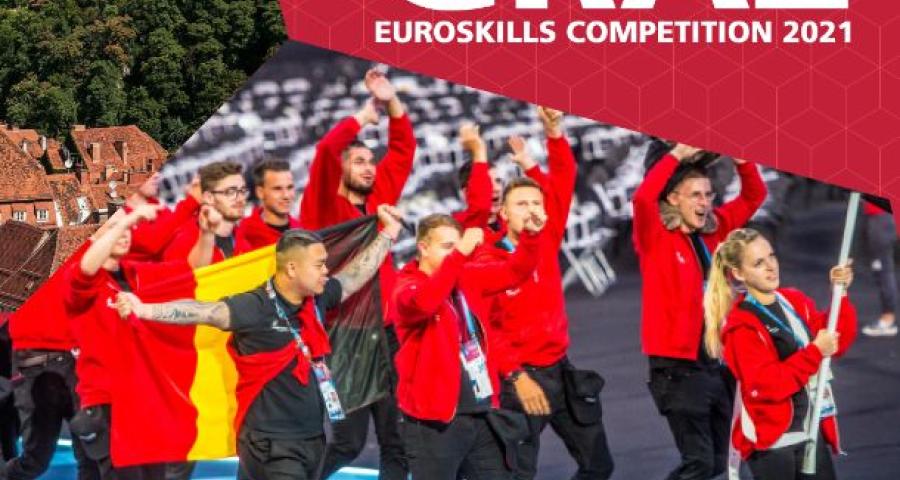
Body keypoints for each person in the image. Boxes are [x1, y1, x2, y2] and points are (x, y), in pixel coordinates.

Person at [113, 205, 404, 480]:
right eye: (319, 265)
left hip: (311, 440)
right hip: (272, 447)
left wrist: (388, 234)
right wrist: (145, 310)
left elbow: (354, 277)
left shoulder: (316, 299)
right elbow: (205, 311)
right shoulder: (256, 305)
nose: (326, 271)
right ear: (292, 268)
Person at [476, 106, 614, 480]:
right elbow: (486, 329)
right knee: (517, 476)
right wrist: (516, 377)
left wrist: (554, 133)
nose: (532, 210)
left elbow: (564, 178)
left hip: (561, 370)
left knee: (599, 466)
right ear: (503, 213)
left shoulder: (547, 239)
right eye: (522, 204)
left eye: (537, 203)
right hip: (518, 380)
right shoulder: (487, 259)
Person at [299, 69, 415, 479]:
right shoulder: (323, 207)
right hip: (345, 340)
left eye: (371, 162)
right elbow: (326, 151)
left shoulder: (379, 198)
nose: (369, 168)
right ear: (342, 169)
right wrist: (364, 117)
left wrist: (392, 100)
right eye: (359, 162)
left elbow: (402, 149)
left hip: (389, 335)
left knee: (397, 440)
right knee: (348, 442)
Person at [633, 143, 766, 480]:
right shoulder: (656, 237)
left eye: (708, 194)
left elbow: (755, 196)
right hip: (678, 368)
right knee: (700, 462)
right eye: (695, 195)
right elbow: (643, 199)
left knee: (721, 459)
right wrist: (677, 155)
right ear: (673, 198)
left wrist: (742, 159)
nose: (704, 202)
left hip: (715, 362)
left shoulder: (715, 229)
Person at [61, 201, 219, 480]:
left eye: (128, 228)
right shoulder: (81, 279)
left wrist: (206, 234)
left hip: (145, 404)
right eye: (112, 227)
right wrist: (124, 220)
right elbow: (86, 268)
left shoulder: (139, 274)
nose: (124, 233)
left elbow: (191, 272)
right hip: (107, 405)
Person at [392, 212, 545, 479]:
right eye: (447, 247)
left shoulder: (465, 276)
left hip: (480, 413)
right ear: (423, 248)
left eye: (457, 245)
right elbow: (426, 303)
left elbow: (514, 272)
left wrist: (531, 237)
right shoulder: (406, 287)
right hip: (434, 424)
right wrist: (461, 253)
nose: (455, 253)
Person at [702, 228, 857, 480]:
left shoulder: (793, 300)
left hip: (811, 430)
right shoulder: (740, 326)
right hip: (773, 444)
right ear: (739, 273)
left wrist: (840, 293)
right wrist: (815, 351)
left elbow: (836, 340)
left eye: (771, 256)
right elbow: (765, 385)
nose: (771, 267)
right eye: (758, 263)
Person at [164, 161, 252, 264]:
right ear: (209, 198)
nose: (241, 199)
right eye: (230, 192)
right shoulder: (182, 245)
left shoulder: (244, 242)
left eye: (242, 191)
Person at [235, 158, 301, 250]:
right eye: (277, 189)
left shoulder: (301, 229)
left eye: (290, 187)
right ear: (260, 192)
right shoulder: (246, 232)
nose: (286, 195)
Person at [860, 200, 898, 337]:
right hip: (882, 216)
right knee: (883, 268)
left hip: (882, 217)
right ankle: (888, 316)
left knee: (883, 269)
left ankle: (888, 319)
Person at [453, 122, 496, 229]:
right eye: (488, 183)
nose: (497, 188)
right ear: (466, 192)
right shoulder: (456, 228)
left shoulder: (512, 223)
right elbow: (481, 208)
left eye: (499, 181)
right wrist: (478, 150)